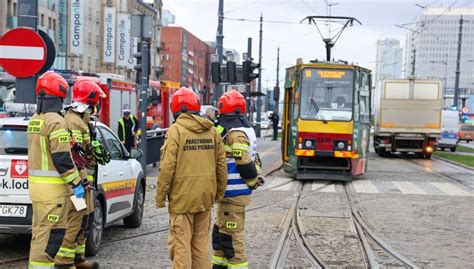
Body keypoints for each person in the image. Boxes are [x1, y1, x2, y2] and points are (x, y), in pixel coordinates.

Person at [156, 87, 227, 268]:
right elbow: (221, 166)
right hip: (205, 195)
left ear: (176, 109)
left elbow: (167, 168)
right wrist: (218, 193)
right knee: (201, 245)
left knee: (180, 245)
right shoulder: (211, 131)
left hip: (182, 198)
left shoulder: (176, 131)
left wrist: (160, 197)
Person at [27, 72, 84, 269]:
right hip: (52, 191)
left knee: (40, 233)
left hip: (37, 189)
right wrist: (76, 183)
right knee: (50, 238)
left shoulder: (36, 118)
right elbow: (61, 159)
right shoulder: (56, 122)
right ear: (60, 95)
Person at [54, 80, 106, 269]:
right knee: (76, 217)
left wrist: (94, 149)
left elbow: (85, 150)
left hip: (84, 182)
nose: (99, 103)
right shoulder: (74, 121)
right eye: (97, 99)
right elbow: (74, 155)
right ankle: (64, 261)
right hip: (76, 183)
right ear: (91, 99)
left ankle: (78, 258)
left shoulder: (83, 120)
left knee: (86, 217)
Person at [212, 90, 264, 269]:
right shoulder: (244, 129)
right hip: (228, 194)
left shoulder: (236, 133)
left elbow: (244, 161)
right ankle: (219, 265)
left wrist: (252, 182)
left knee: (231, 238)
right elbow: (254, 159)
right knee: (220, 235)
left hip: (234, 193)